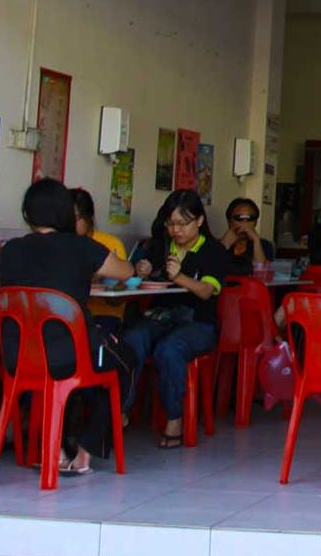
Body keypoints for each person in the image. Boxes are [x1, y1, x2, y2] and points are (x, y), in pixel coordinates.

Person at [0, 178, 135, 475]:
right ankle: (85, 451)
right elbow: (125, 271)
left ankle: (56, 448)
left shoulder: (10, 250)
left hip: (18, 358)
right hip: (69, 357)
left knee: (68, 369)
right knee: (124, 360)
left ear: (27, 214)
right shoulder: (80, 247)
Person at [123, 190, 230, 448]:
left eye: (183, 223)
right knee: (132, 338)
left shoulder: (213, 251)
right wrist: (143, 270)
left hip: (198, 323)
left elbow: (206, 291)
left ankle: (174, 417)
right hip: (161, 317)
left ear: (200, 221)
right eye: (171, 223)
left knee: (169, 350)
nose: (176, 230)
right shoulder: (161, 245)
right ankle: (121, 410)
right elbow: (143, 275)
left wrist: (179, 277)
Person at [75, 188, 128, 332]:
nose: (70, 224)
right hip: (70, 316)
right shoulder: (62, 244)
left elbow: (118, 299)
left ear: (89, 217)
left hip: (105, 314)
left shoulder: (111, 244)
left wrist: (104, 279)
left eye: (76, 218)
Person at [218, 197, 275, 275]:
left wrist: (256, 241)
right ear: (229, 221)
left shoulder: (264, 245)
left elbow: (263, 275)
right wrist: (224, 245)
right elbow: (209, 270)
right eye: (239, 218)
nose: (244, 223)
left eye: (250, 218)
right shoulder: (216, 245)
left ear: (255, 223)